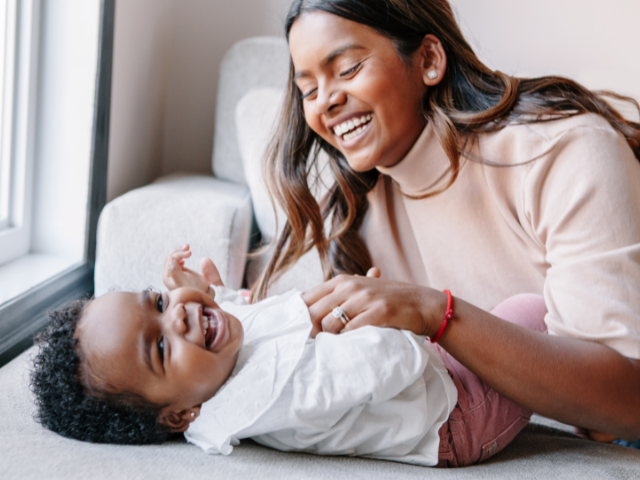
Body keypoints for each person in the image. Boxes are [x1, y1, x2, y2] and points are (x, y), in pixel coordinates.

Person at [251, 0, 640, 444]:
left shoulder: (563, 152)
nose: (327, 102)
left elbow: (628, 404)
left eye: (348, 68)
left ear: (429, 60)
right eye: (308, 90)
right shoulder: (359, 212)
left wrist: (438, 314)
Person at [31, 246, 547, 467]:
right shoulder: (271, 397)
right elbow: (394, 365)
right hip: (455, 413)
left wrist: (215, 291)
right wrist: (381, 314)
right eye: (161, 346)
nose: (180, 316)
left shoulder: (214, 368)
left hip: (430, 373)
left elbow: (251, 325)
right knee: (532, 313)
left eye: (159, 302)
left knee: (501, 314)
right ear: (180, 415)